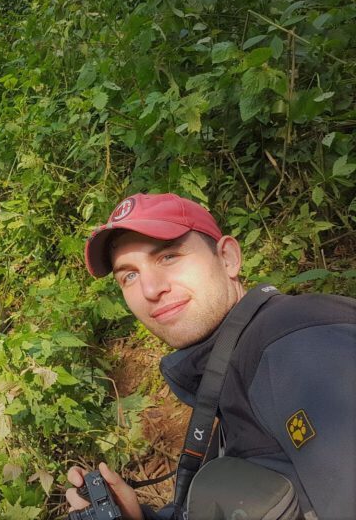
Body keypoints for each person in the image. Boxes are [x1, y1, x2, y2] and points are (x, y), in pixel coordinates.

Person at [65, 192, 356, 520]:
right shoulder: (234, 372)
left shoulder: (297, 343)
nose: (150, 289)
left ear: (229, 258)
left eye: (169, 256)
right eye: (129, 275)